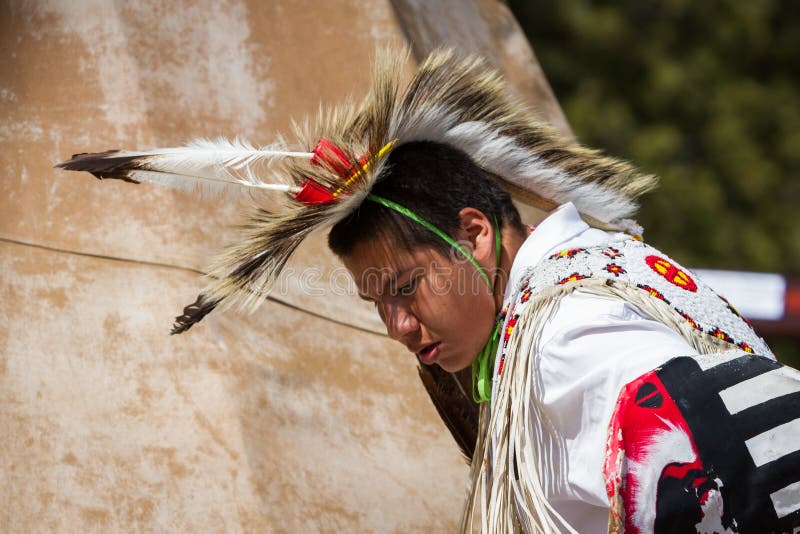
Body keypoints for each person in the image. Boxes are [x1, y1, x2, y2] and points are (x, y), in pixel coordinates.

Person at [58, 49, 799, 533]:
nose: (397, 326)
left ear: (475, 233)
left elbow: (703, 457)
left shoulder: (570, 331)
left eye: (405, 287)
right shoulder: (595, 275)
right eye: (377, 303)